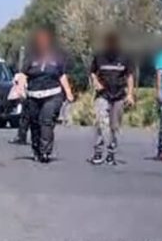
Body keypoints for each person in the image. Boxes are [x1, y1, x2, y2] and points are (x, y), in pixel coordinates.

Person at [16, 27, 75, 163]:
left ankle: (45, 151)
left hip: (52, 94)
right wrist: (20, 89)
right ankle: (36, 149)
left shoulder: (57, 57)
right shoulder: (31, 57)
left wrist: (69, 93)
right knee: (35, 123)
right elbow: (23, 74)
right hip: (33, 95)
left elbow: (62, 76)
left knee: (46, 121)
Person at [89, 32, 135, 165]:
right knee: (101, 123)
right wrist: (96, 82)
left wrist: (130, 94)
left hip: (118, 95)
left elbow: (130, 76)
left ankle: (111, 153)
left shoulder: (125, 57)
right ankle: (98, 151)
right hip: (103, 94)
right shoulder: (99, 56)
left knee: (114, 127)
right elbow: (92, 72)